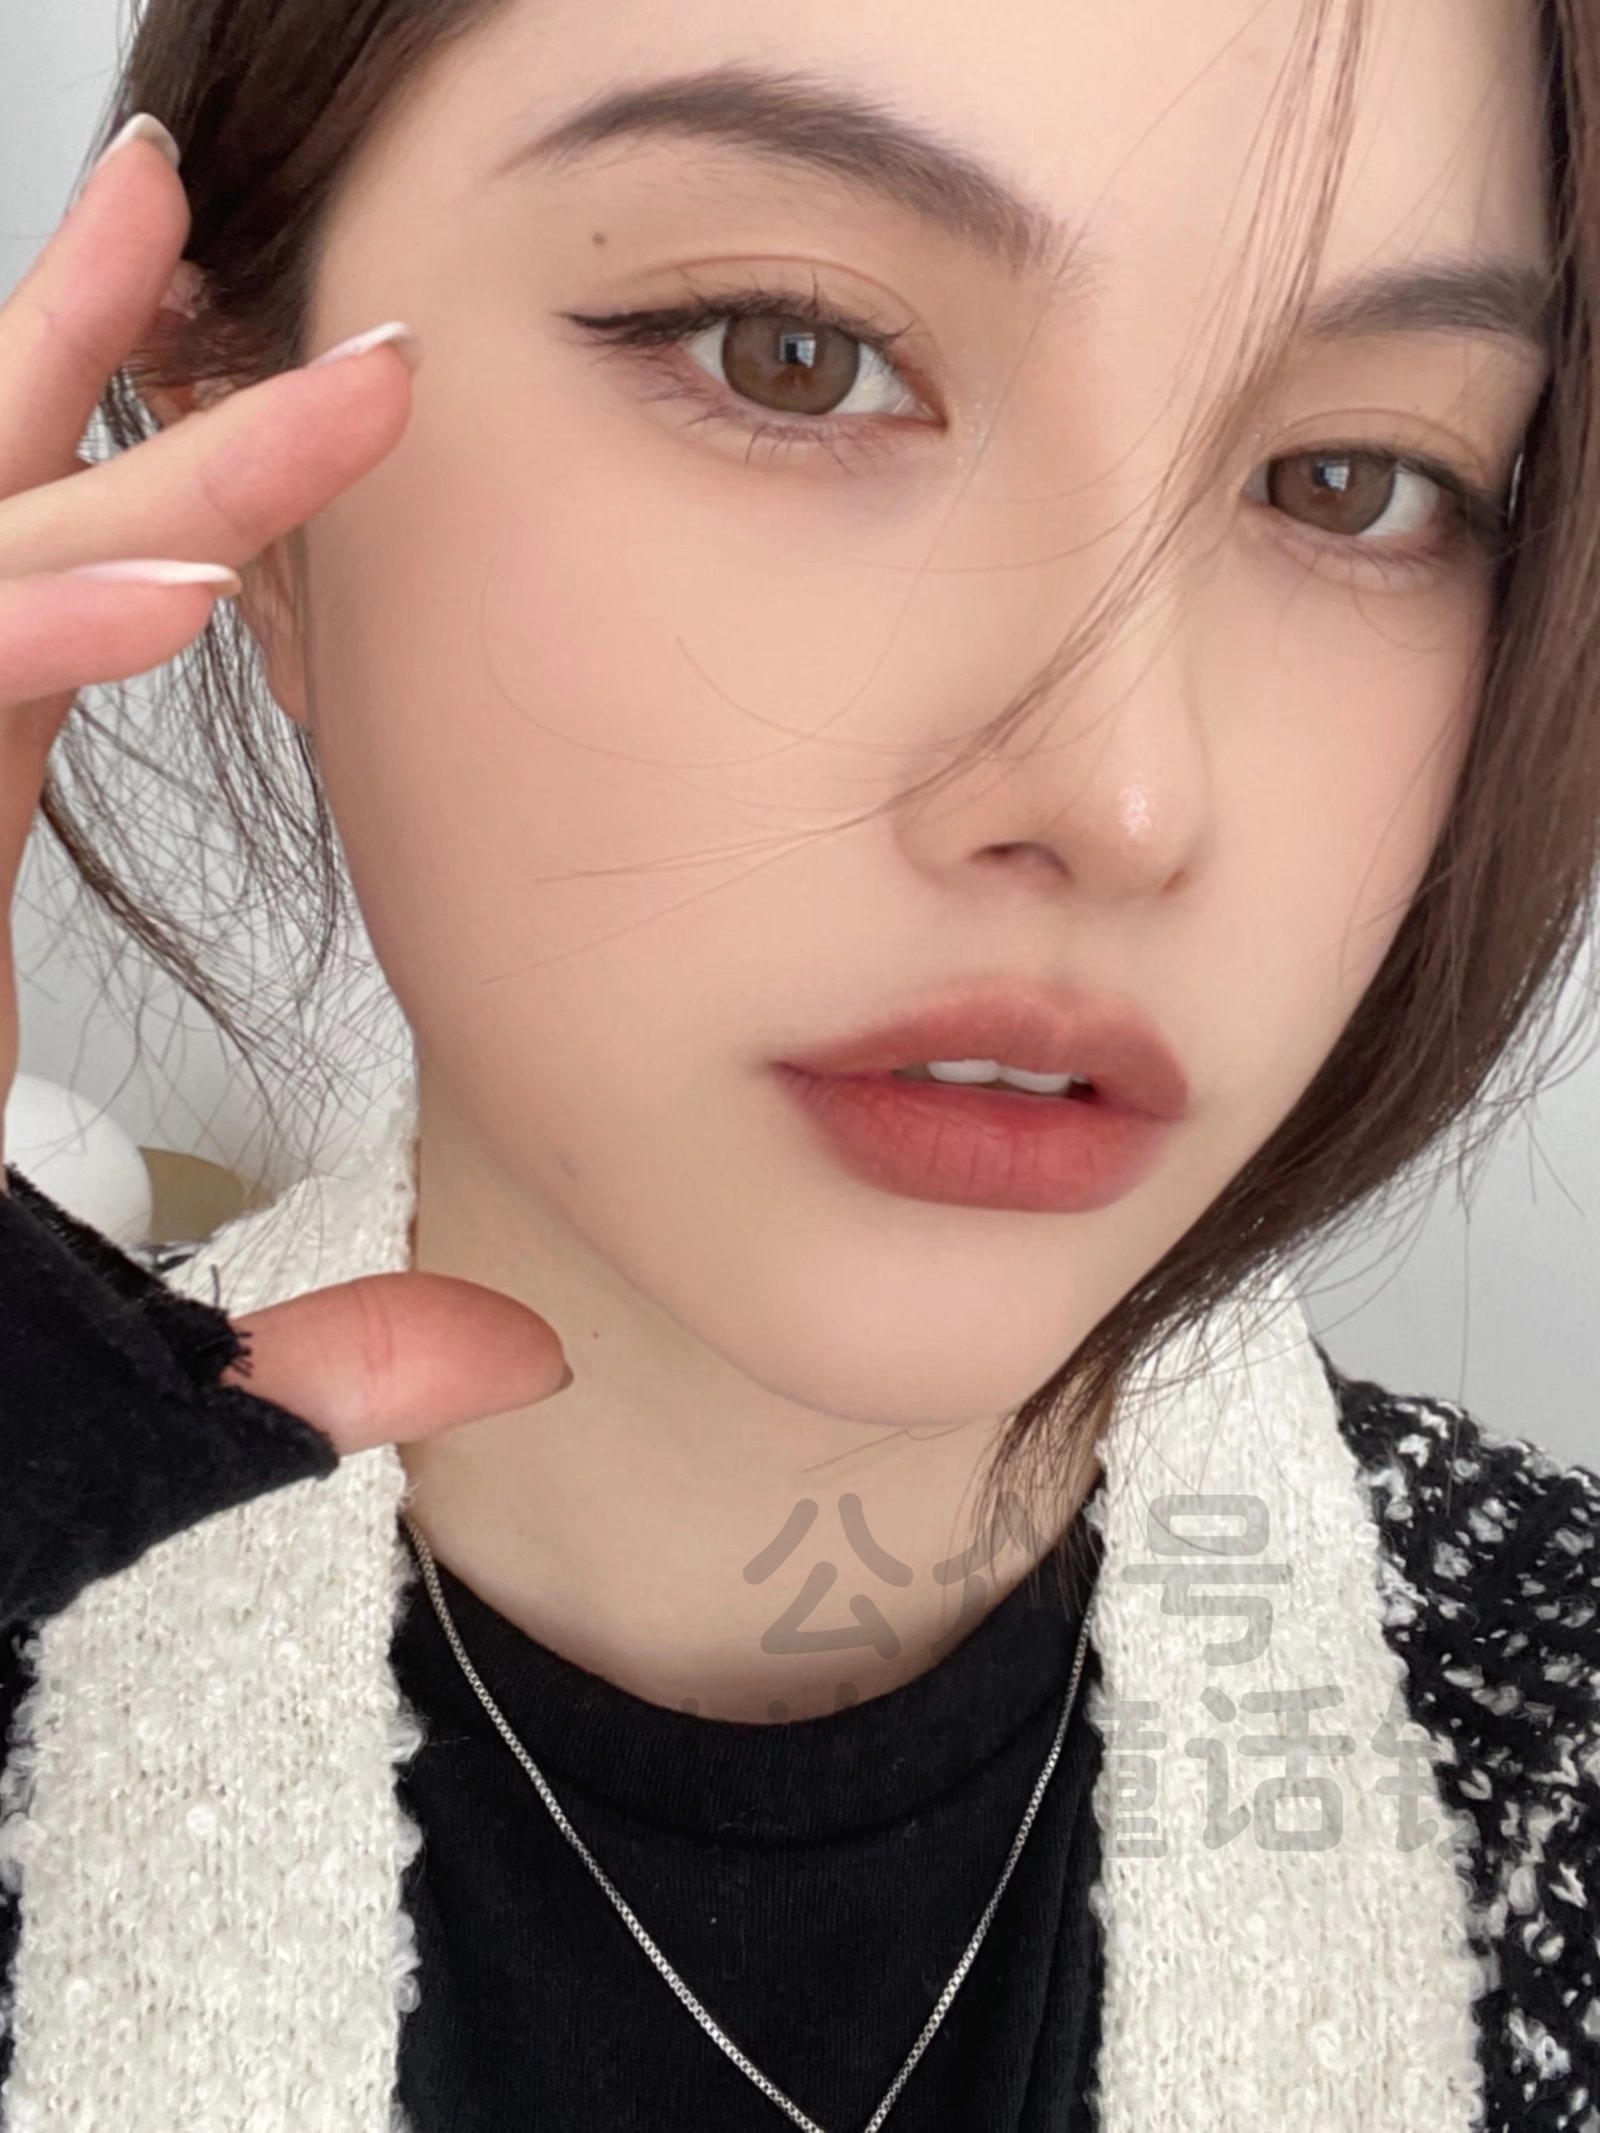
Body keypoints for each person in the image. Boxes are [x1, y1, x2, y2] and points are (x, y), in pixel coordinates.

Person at [0, 0, 1596, 2126]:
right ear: (248, 460)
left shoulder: (1547, 1740)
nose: (1122, 793)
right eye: (793, 354)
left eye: (1354, 478)